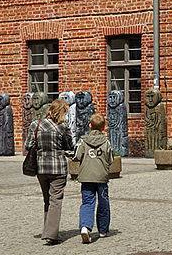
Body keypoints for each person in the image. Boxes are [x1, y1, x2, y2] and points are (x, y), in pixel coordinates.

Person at [25, 98, 74, 245]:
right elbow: (69, 146)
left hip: (41, 167)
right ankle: (51, 235)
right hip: (58, 167)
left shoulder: (36, 124)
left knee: (47, 199)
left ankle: (47, 230)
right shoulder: (62, 127)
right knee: (56, 200)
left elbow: (28, 145)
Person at [74, 112, 114, 244]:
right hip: (101, 177)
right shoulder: (106, 142)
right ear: (103, 127)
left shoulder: (83, 141)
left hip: (86, 177)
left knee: (87, 202)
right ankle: (103, 230)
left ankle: (85, 227)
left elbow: (77, 156)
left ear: (90, 125)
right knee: (103, 203)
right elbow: (110, 159)